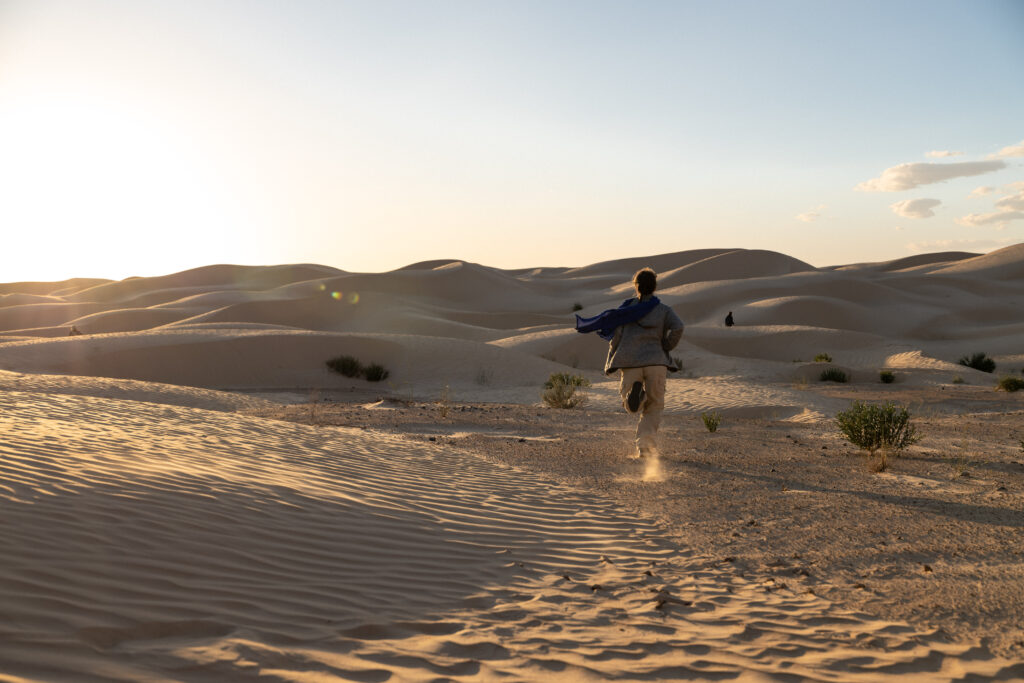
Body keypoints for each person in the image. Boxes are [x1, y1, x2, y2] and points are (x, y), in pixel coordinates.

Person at [575, 268, 684, 458]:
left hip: (630, 360)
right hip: (656, 361)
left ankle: (635, 397)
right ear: (655, 287)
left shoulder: (625, 311)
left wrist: (611, 360)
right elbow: (679, 327)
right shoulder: (664, 310)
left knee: (630, 403)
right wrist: (666, 345)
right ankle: (645, 446)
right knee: (655, 405)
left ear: (636, 286)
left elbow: (616, 336)